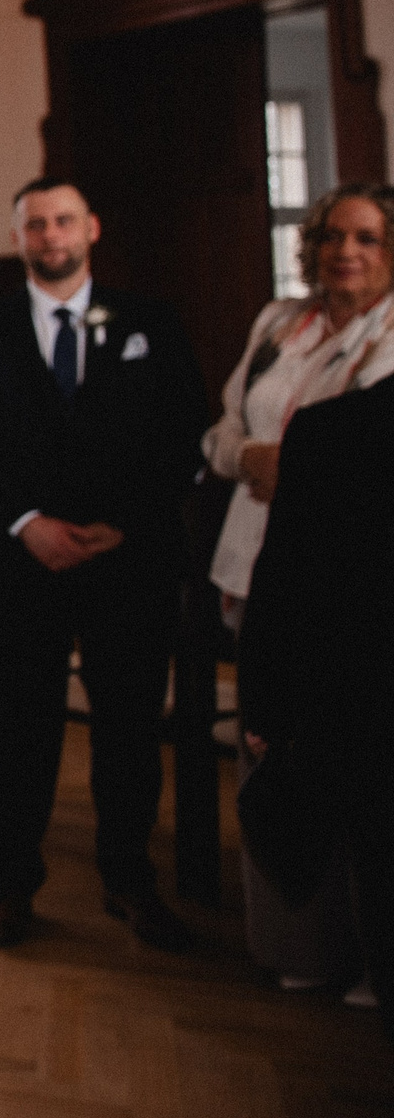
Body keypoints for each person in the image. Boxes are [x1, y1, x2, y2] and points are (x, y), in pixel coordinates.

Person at [0, 178, 208, 953]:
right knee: (18, 727)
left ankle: (130, 878)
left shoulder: (149, 322)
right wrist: (29, 523)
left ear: (91, 228)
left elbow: (184, 430)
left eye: (63, 220)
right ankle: (11, 881)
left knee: (129, 726)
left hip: (130, 559)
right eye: (35, 224)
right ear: (17, 237)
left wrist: (126, 522)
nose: (50, 235)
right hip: (21, 560)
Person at [203, 180, 394, 988]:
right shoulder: (279, 323)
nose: (346, 251)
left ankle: (368, 957)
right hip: (253, 560)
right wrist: (252, 456)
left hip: (344, 579)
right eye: (332, 236)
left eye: (368, 237)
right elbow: (221, 433)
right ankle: (297, 951)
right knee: (270, 747)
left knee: (352, 756)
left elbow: (357, 455)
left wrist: (298, 465)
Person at [238, 370, 394, 1039]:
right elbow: (286, 579)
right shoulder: (335, 430)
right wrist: (270, 711)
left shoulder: (334, 430)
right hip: (372, 727)